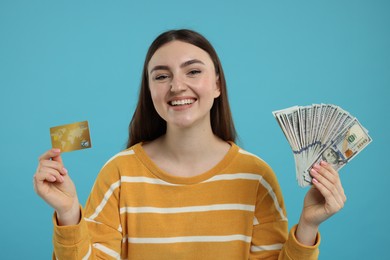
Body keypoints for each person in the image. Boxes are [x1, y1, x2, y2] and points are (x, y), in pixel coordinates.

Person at [34, 29, 347, 259]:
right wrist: (68, 214)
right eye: (161, 76)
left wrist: (307, 225)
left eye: (193, 71)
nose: (176, 86)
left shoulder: (256, 178)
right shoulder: (118, 174)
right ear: (149, 91)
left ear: (217, 85)